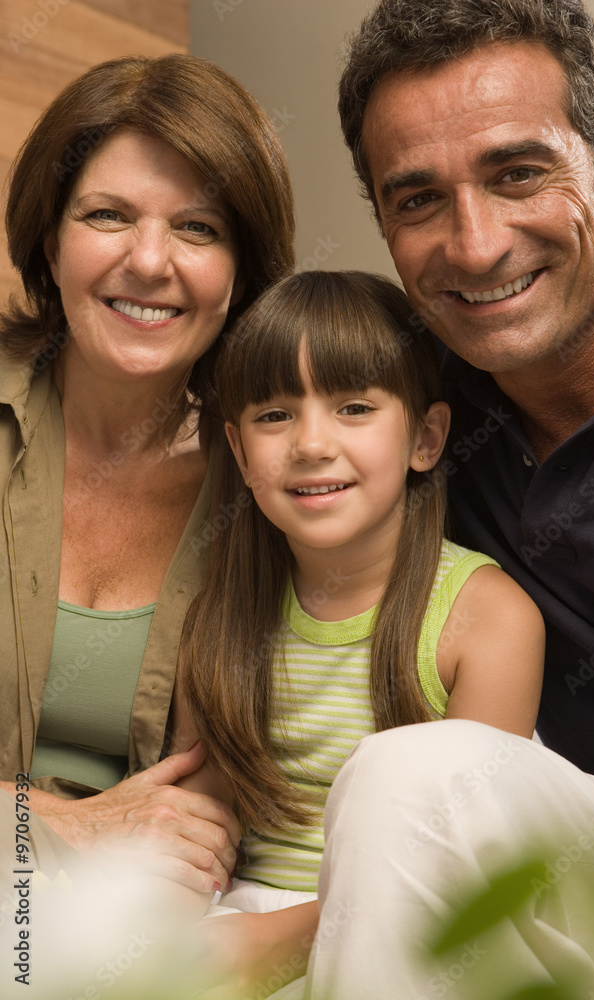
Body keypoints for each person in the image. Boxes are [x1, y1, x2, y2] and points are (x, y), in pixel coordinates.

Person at [291, 1, 594, 997]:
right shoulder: (413, 412)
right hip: (568, 841)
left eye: (516, 173)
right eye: (417, 200)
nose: (473, 243)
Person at [175, 269, 545, 996]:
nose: (311, 444)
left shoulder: (486, 618)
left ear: (426, 437)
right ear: (240, 450)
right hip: (241, 918)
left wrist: (275, 944)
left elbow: (464, 861)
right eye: (275, 416)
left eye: (352, 407)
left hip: (422, 926)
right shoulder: (218, 615)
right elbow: (199, 826)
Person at [0, 52, 293, 939]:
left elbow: (197, 831)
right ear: (50, 241)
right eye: (107, 215)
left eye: (199, 228)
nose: (151, 261)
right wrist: (64, 823)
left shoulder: (278, 474)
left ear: (242, 268)